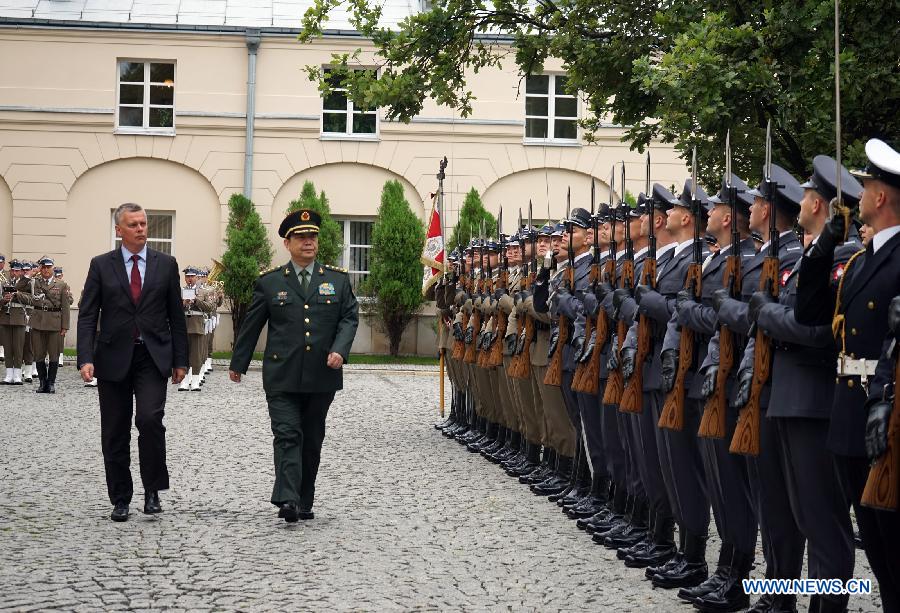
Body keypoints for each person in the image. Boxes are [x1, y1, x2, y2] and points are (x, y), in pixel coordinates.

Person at [229, 209, 359, 523]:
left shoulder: (337, 282)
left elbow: (349, 318)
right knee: (287, 434)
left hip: (321, 375)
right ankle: (287, 498)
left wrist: (340, 350)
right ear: (288, 243)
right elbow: (252, 324)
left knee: (311, 438)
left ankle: (304, 499)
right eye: (301, 237)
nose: (308, 242)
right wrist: (239, 363)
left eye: (312, 236)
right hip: (282, 375)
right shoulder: (271, 282)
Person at [77, 202, 189, 523]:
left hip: (152, 357)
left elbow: (176, 317)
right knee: (114, 430)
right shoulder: (101, 265)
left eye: (143, 223)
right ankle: (121, 497)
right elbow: (87, 316)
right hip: (112, 357)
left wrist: (180, 359)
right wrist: (85, 357)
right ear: (119, 230)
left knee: (150, 420)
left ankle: (152, 490)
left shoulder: (165, 264)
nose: (141, 229)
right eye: (134, 224)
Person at [24, 256, 70, 393]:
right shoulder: (34, 282)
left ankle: (51, 383)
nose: (45, 270)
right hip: (38, 322)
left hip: (55, 323)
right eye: (43, 267)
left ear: (53, 268)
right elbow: (19, 287)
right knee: (39, 354)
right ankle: (42, 383)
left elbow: (66, 307)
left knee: (54, 355)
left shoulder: (61, 285)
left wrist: (65, 326)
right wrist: (29, 274)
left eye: (48, 267)